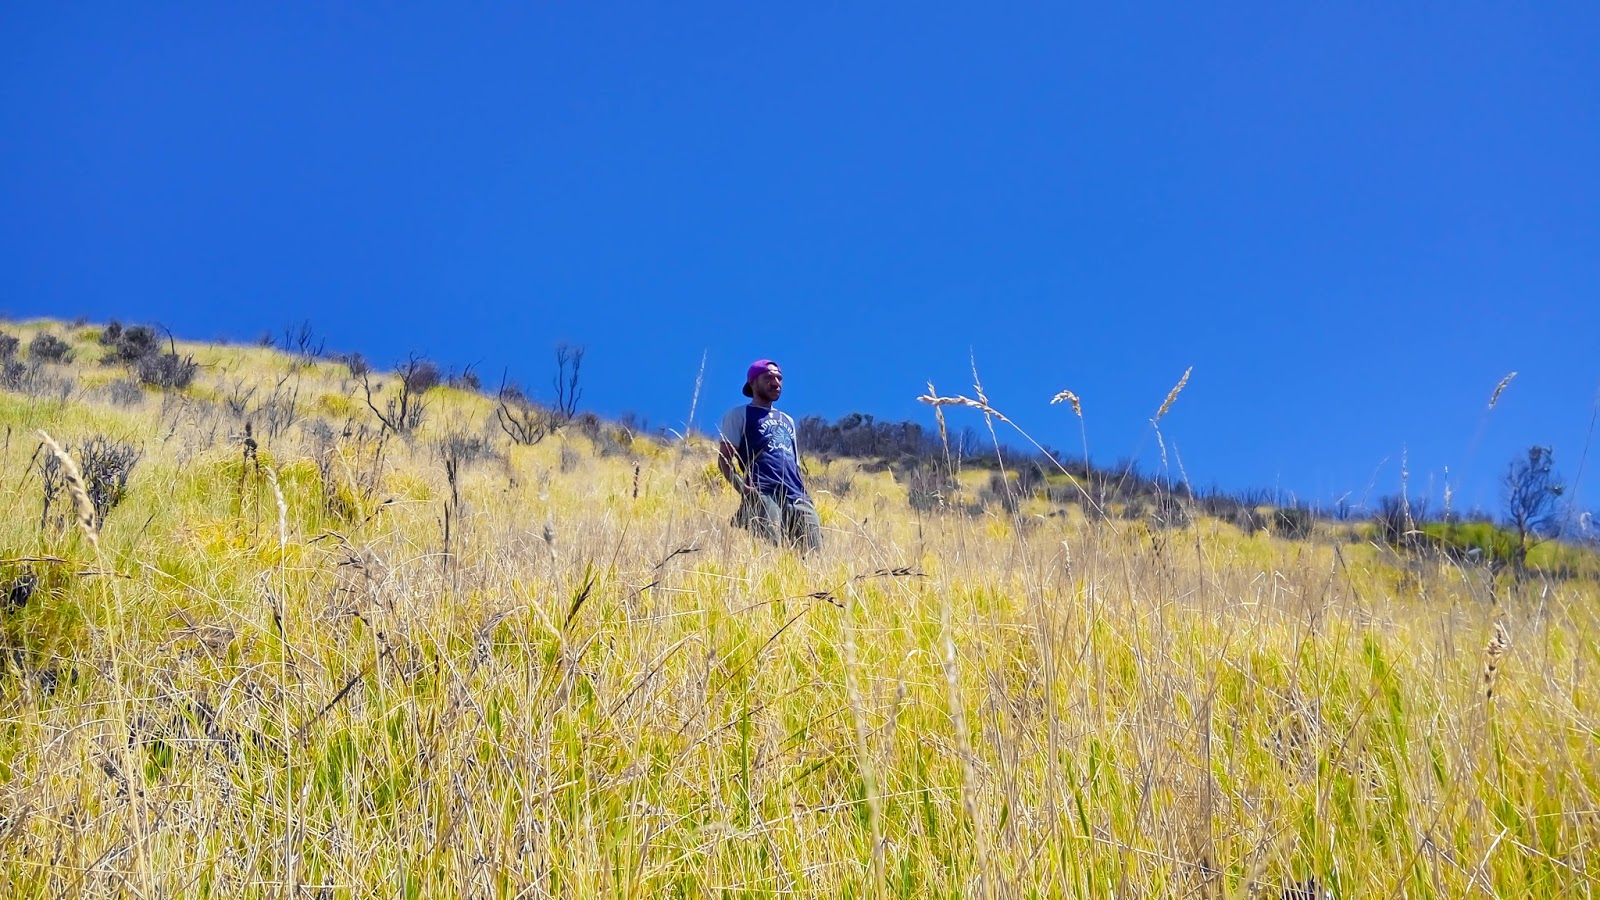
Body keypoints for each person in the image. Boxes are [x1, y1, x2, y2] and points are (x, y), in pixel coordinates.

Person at [717, 359, 822, 552]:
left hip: (797, 495)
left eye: (779, 378)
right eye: (768, 378)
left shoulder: (787, 420)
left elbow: (794, 463)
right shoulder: (740, 414)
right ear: (752, 382)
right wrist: (744, 489)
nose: (776, 383)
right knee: (769, 551)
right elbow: (724, 459)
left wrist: (805, 495)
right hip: (763, 493)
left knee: (813, 556)